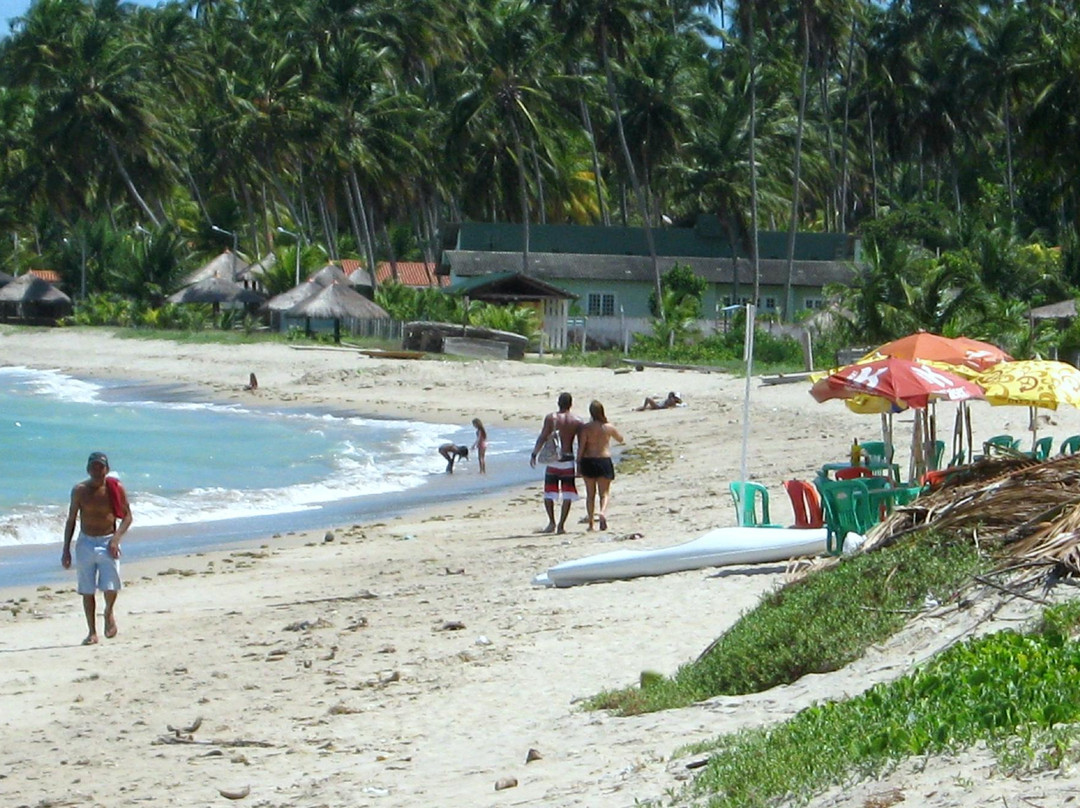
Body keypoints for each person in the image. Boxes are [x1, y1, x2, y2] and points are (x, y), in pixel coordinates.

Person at [61, 452, 133, 645]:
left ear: (107, 469)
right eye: (93, 466)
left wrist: (116, 539)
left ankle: (108, 611)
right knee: (87, 589)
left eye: (100, 467)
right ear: (88, 469)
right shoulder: (79, 490)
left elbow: (127, 517)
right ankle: (92, 632)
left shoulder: (115, 489)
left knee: (111, 586)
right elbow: (71, 519)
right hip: (86, 542)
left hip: (108, 539)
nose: (97, 470)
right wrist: (66, 549)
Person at [530, 392, 583, 534]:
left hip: (553, 460)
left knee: (549, 492)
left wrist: (535, 453)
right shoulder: (577, 420)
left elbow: (543, 436)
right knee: (568, 494)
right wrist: (580, 463)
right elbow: (582, 443)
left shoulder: (551, 418)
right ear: (571, 404)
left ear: (558, 403)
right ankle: (561, 525)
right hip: (568, 460)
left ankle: (551, 523)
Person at [577, 400, 624, 531]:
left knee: (590, 495)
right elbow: (620, 439)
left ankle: (591, 524)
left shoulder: (586, 428)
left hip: (588, 460)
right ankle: (602, 512)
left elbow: (581, 448)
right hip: (604, 460)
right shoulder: (608, 427)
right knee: (604, 493)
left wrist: (578, 463)